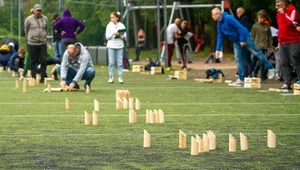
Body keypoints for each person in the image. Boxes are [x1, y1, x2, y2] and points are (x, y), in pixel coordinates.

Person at [211, 7, 275, 84]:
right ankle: (242, 78)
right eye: (212, 15)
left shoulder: (228, 18)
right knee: (239, 59)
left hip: (245, 37)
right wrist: (218, 50)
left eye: (214, 14)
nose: (213, 16)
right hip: (236, 41)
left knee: (256, 52)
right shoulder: (219, 24)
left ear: (219, 14)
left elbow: (240, 27)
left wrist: (242, 40)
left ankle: (271, 68)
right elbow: (220, 36)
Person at [276, 0, 300, 89]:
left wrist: (283, 14)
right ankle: (287, 82)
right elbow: (281, 28)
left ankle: (299, 80)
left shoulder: (292, 10)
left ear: (284, 5)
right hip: (282, 41)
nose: (276, 7)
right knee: (283, 62)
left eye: (278, 5)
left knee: (295, 60)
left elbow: (292, 22)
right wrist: (279, 40)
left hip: (293, 40)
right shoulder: (278, 14)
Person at [24, 4, 48, 83]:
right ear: (34, 10)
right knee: (33, 60)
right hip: (32, 43)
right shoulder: (29, 19)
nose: (39, 12)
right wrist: (30, 38)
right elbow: (26, 29)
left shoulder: (45, 19)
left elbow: (46, 28)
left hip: (42, 42)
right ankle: (33, 76)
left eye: (40, 10)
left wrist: (44, 37)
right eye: (37, 10)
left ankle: (43, 76)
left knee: (43, 60)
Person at [251, 10, 273, 82]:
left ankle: (263, 77)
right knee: (258, 60)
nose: (260, 19)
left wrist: (270, 46)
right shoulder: (255, 26)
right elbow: (252, 36)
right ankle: (254, 72)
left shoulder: (267, 27)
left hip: (265, 47)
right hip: (257, 47)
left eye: (262, 18)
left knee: (264, 61)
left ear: (264, 18)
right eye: (259, 18)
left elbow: (269, 37)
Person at [105, 11, 127, 84]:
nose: (112, 19)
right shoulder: (109, 25)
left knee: (120, 62)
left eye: (113, 17)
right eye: (111, 18)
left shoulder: (122, 25)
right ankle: (111, 77)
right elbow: (107, 37)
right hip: (111, 45)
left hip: (119, 45)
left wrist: (119, 35)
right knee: (111, 62)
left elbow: (125, 37)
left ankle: (120, 77)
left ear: (117, 18)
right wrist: (112, 34)